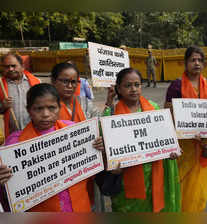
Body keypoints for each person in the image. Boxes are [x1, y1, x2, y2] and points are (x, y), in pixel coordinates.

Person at [0, 83, 104, 212]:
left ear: (59, 108)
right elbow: (12, 192)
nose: (45, 114)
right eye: (38, 109)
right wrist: (3, 180)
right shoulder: (14, 144)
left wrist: (97, 148)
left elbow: (91, 168)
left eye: (51, 108)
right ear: (28, 110)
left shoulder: (74, 130)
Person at [100, 67, 181, 212]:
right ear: (118, 88)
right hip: (126, 180)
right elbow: (105, 150)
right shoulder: (110, 115)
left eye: (137, 85)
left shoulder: (154, 109)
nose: (133, 89)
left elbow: (164, 139)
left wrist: (171, 150)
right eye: (128, 85)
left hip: (153, 176)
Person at [164, 46, 207, 211]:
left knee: (199, 192)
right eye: (192, 60)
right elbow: (169, 116)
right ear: (185, 63)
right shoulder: (176, 86)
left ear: (204, 63)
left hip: (204, 144)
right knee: (182, 189)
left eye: (200, 60)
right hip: (184, 146)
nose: (196, 63)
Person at [50, 62, 103, 211]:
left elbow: (98, 124)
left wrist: (99, 140)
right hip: (59, 173)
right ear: (53, 81)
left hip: (86, 170)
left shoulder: (85, 103)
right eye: (65, 81)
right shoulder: (45, 106)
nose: (69, 86)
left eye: (74, 82)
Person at [0, 53, 40, 138]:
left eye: (13, 66)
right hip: (12, 136)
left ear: (22, 66)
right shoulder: (0, 85)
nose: (10, 69)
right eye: (7, 67)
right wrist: (2, 106)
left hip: (35, 133)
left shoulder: (36, 82)